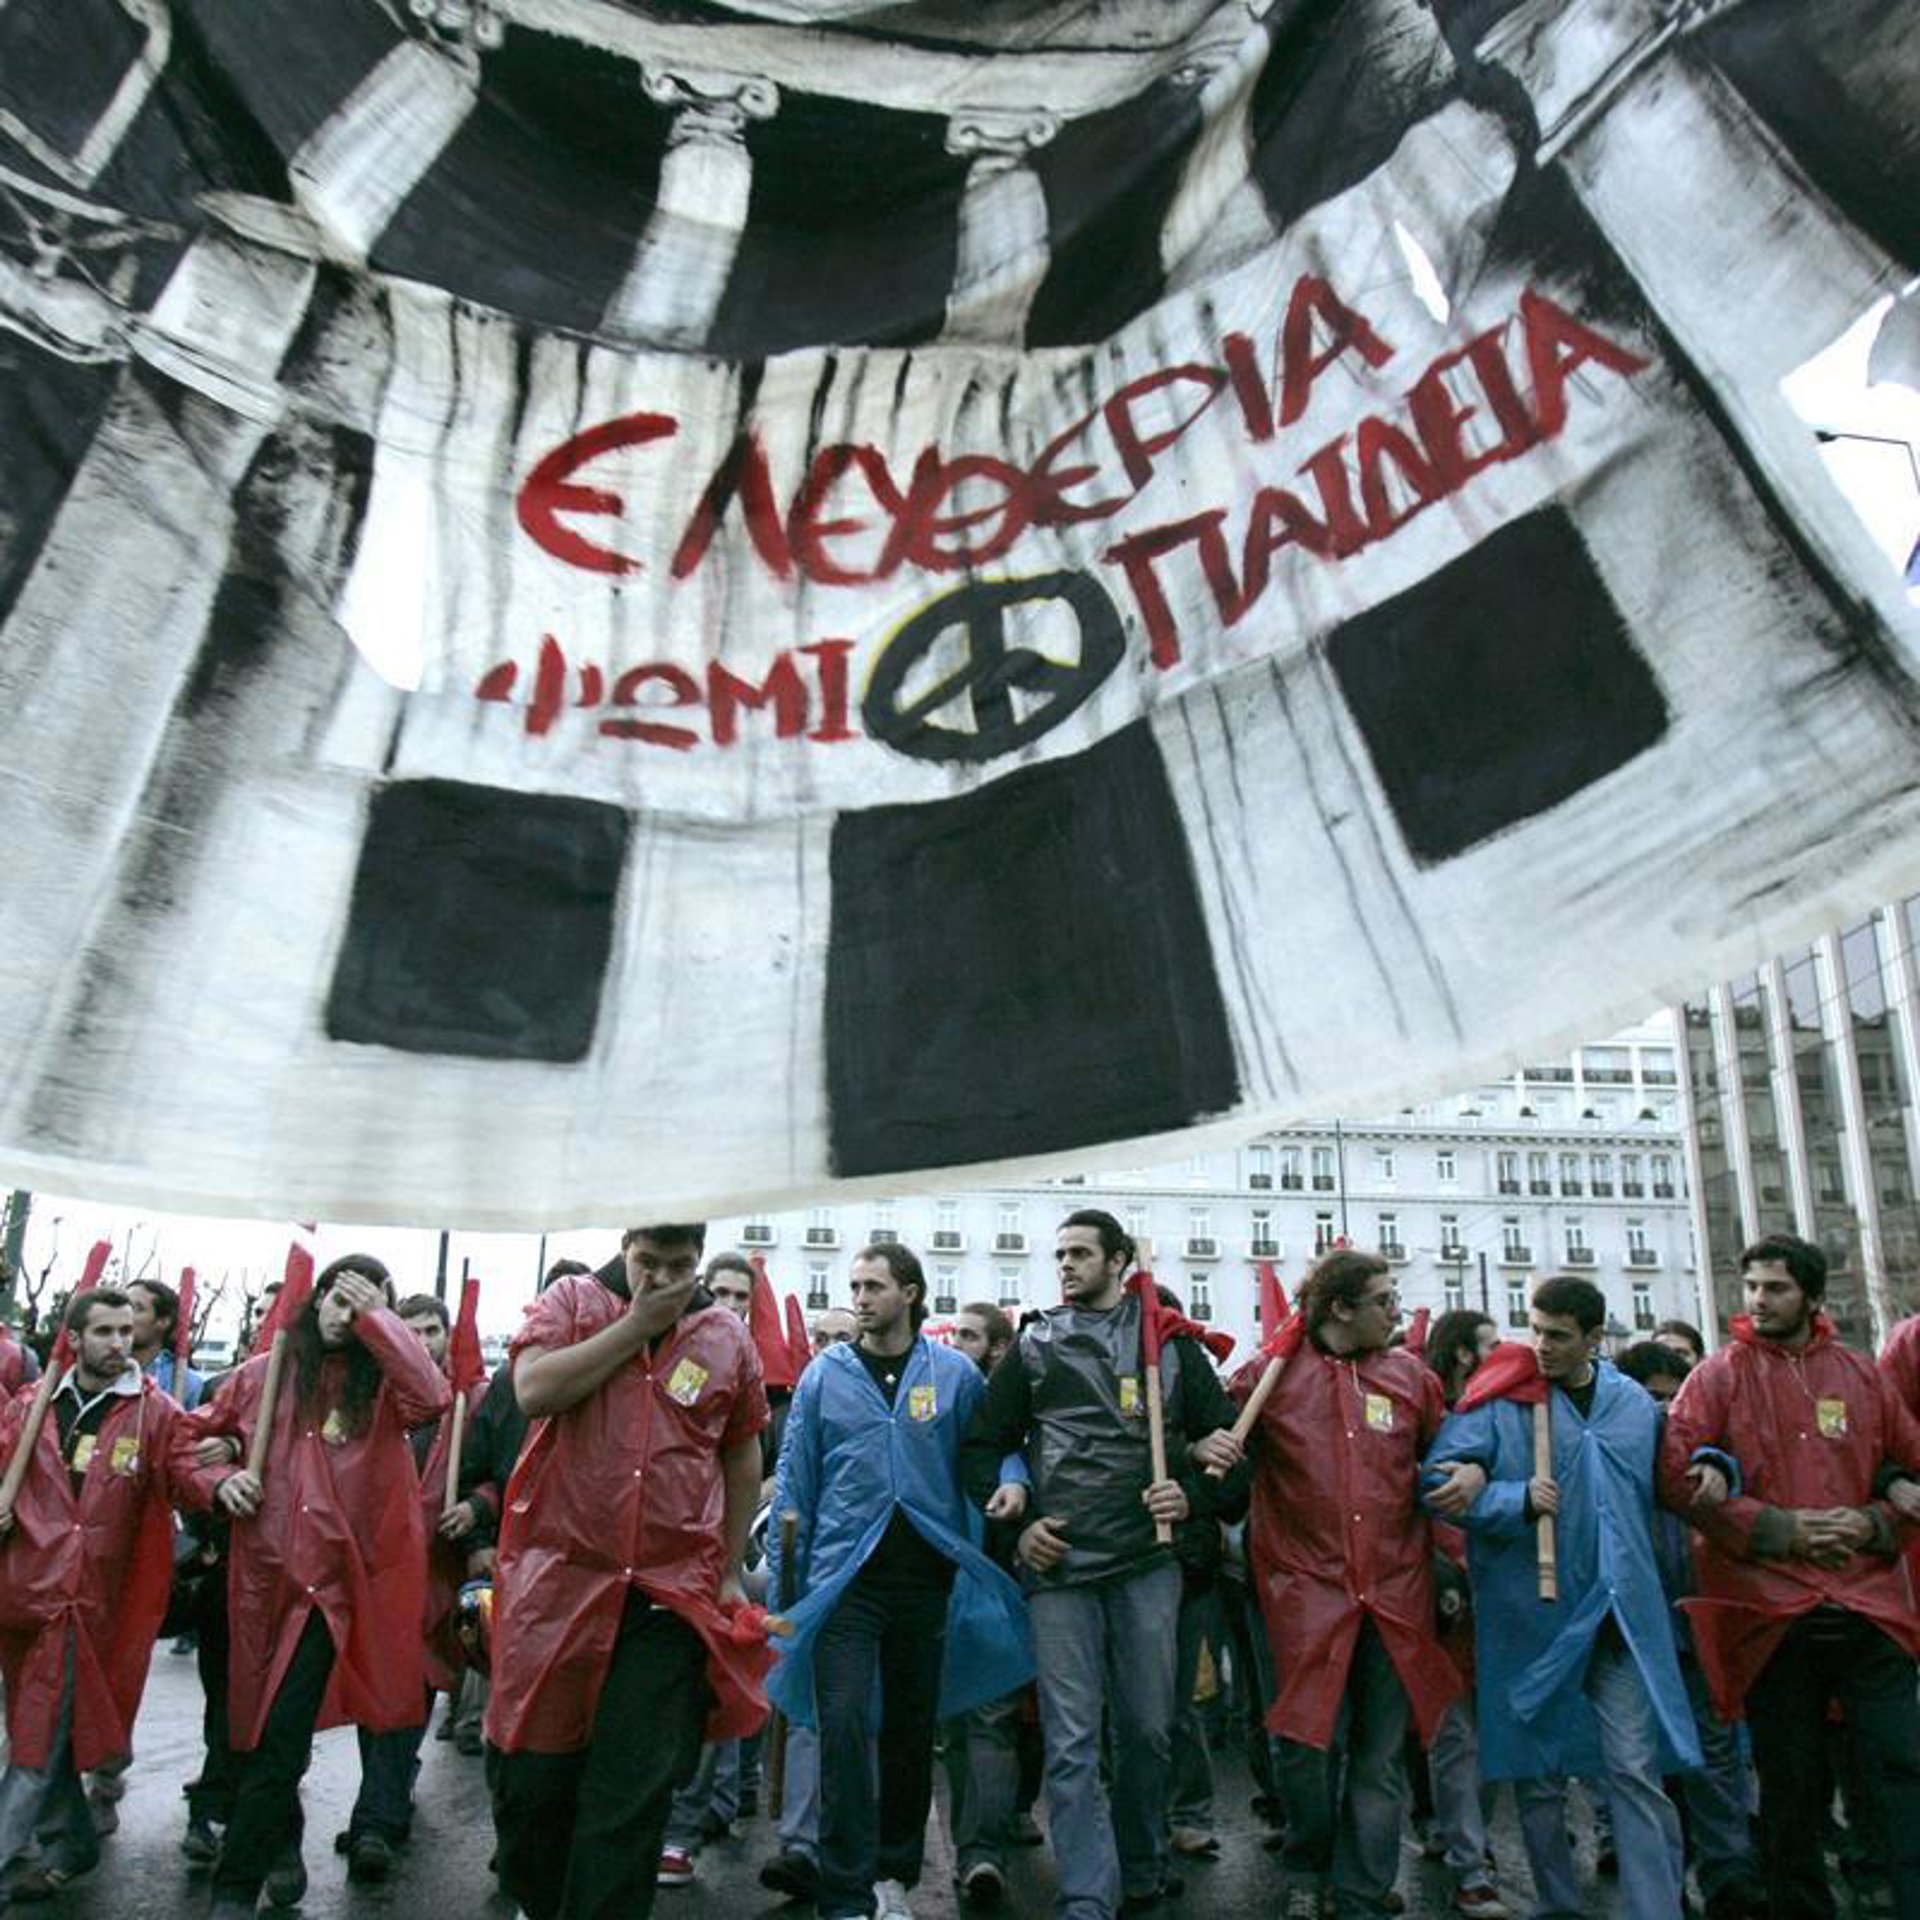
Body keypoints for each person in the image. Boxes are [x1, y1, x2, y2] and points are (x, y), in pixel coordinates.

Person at [960, 1210, 1239, 1920]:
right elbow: (982, 1445)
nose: (1066, 1265)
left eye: (1081, 1253)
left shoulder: (1171, 1348)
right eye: (1060, 1254)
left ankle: (1141, 1866)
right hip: (1058, 1569)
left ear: (1119, 1261)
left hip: (1149, 1563)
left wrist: (1192, 1492)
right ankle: (1086, 1893)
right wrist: (1020, 1528)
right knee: (1071, 1739)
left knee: (1148, 1730)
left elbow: (1232, 1462)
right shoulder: (1034, 1344)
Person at [485, 1224, 768, 1920]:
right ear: (625, 1245)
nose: (663, 1279)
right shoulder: (572, 1300)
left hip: (667, 1596)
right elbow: (534, 1390)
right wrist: (635, 1326)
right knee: (532, 1782)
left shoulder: (725, 1335)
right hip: (558, 1584)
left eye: (680, 1264)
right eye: (648, 1262)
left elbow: (741, 1451)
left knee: (631, 1796)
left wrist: (730, 1569)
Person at [1424, 1274, 1698, 1920]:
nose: (1542, 1346)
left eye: (1559, 1336)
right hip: (1534, 1613)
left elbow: (1677, 1474)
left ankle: (1656, 1910)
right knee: (1538, 1774)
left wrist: (1718, 1466)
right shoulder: (1501, 1402)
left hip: (1619, 1613)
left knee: (1634, 1766)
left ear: (1595, 1338)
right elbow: (1436, 1483)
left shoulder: (1633, 1405)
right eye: (1537, 1330)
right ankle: (1557, 1904)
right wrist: (1510, 1497)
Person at [1663, 1232, 1920, 1920]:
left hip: (1869, 1606)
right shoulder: (1717, 1376)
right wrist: (1780, 1529)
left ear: (1812, 1296)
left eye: (1775, 1288)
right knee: (1791, 1787)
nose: (1758, 1300)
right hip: (1773, 1612)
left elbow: (1911, 1463)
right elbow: (1676, 1474)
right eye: (1751, 1286)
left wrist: (1871, 1523)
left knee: (1900, 1769)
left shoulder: (1862, 1374)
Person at [770, 1244, 1031, 1920]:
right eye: (855, 1285)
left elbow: (994, 1441)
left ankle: (893, 1876)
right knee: (844, 1727)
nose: (860, 1297)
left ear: (910, 1293)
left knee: (911, 1734)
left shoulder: (954, 1374)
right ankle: (844, 1892)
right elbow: (796, 1480)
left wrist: (1013, 1481)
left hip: (925, 1582)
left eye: (874, 1286)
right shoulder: (824, 1374)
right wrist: (786, 1596)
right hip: (843, 1583)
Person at [191, 1254, 451, 1920]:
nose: (345, 1314)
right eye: (337, 1298)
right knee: (245, 1730)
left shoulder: (384, 1390)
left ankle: (233, 1889)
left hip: (330, 1591)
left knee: (280, 1732)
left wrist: (381, 1322)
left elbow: (433, 1397)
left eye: (363, 1305)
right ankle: (280, 1839)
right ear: (314, 1302)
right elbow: (189, 1446)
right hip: (257, 1580)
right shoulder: (261, 1375)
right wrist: (218, 1480)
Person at [1229, 1249, 1460, 1920]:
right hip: (1301, 1594)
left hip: (1395, 1593)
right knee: (1304, 1746)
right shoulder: (1266, 1378)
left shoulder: (1413, 1380)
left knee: (1379, 1755)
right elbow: (1222, 1464)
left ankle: (1361, 1889)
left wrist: (1468, 1479)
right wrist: (1205, 1452)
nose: (1396, 1310)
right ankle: (1308, 1867)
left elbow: (1443, 1463)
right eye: (1383, 1299)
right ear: (1340, 1309)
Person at [0, 1288, 219, 1896]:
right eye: (104, 1332)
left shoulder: (156, 1414)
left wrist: (223, 1478)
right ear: (73, 1338)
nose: (120, 1343)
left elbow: (188, 1475)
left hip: (87, 1603)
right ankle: (71, 1837)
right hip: (24, 1591)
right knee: (33, 1725)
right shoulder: (30, 1405)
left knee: (37, 1732)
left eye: (126, 1331)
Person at [1614, 1341, 1763, 1920]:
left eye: (1672, 1398)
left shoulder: (1702, 1454)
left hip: (1699, 1624)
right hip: (1639, 1630)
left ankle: (1730, 1878)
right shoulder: (1616, 1454)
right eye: (1651, 1398)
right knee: (1649, 1767)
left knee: (1715, 1756)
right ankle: (1664, 1887)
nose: (1662, 1412)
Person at [1416, 1310, 1507, 1919]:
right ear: (1463, 1355)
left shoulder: (1508, 1415)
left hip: (1500, 1587)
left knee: (1492, 1731)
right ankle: (1469, 1862)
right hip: (1444, 1589)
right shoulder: (1425, 1416)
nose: (1505, 1353)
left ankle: (1471, 1837)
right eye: (1491, 1345)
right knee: (1455, 1734)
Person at [128, 1278, 206, 1409]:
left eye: (137, 1308)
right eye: (123, 1306)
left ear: (163, 1321)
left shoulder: (188, 1383)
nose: (124, 1315)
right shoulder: (102, 1367)